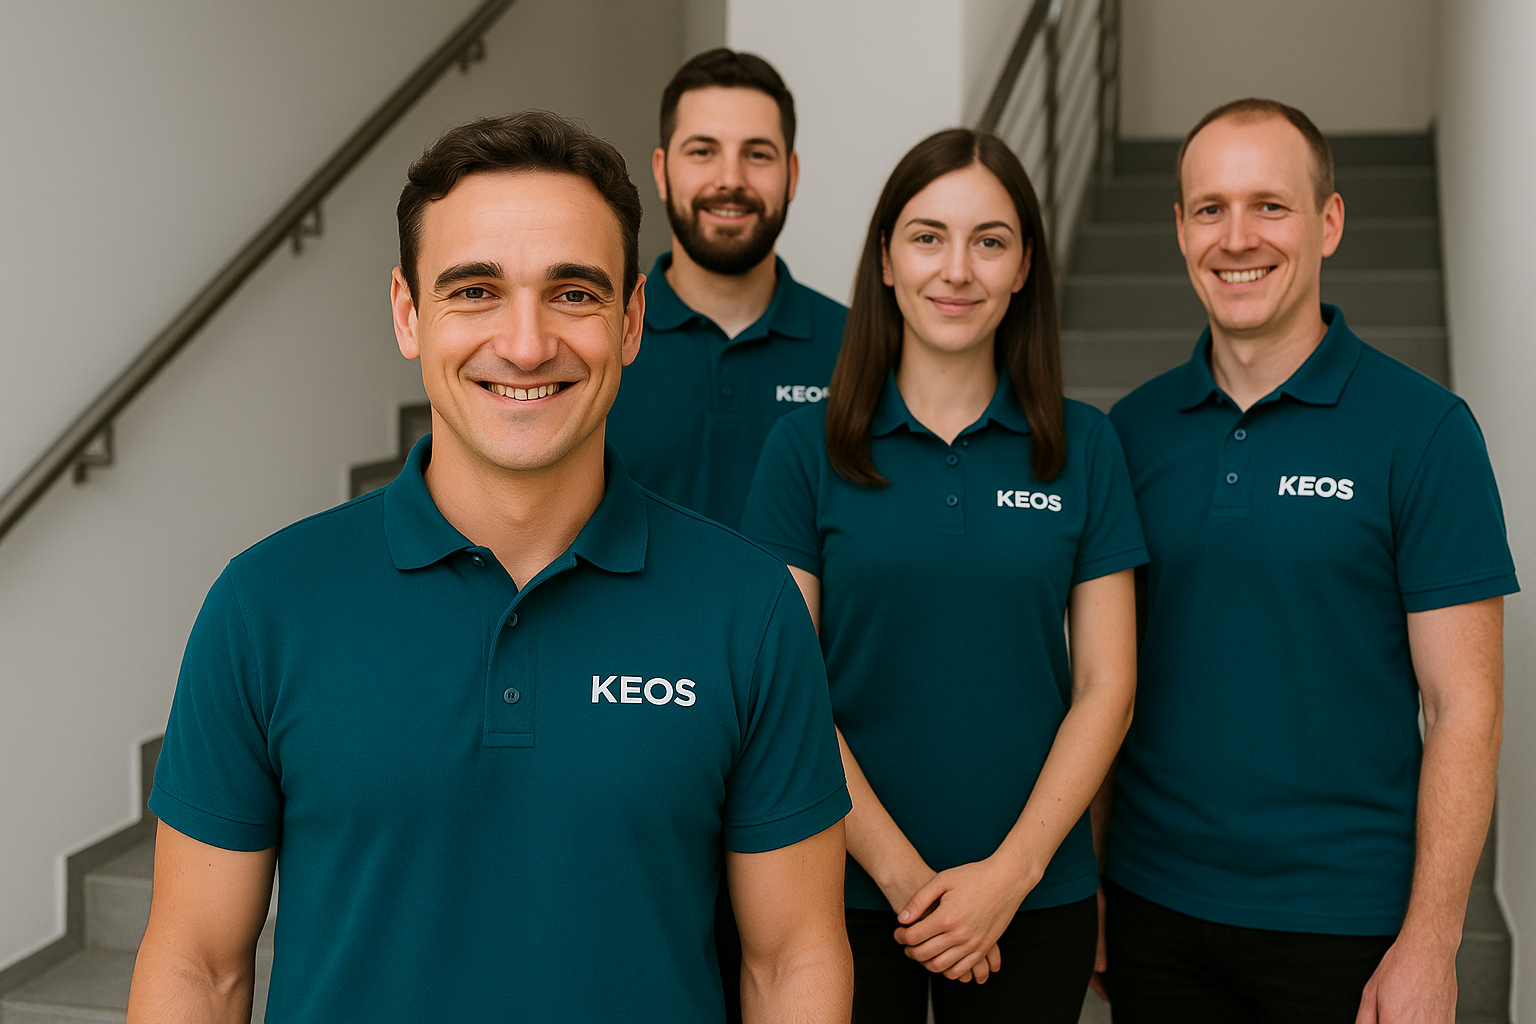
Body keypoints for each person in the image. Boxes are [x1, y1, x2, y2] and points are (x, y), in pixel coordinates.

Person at [125, 111, 854, 1024]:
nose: (524, 342)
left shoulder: (748, 608)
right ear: (406, 313)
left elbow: (791, 963)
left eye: (574, 294)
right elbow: (198, 964)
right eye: (474, 291)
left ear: (632, 322)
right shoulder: (265, 605)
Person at [1099, 98, 1518, 1024]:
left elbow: (1465, 708)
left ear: (1329, 221)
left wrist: (1433, 940)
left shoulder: (1425, 432)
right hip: (1152, 909)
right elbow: (1106, 688)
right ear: (1178, 230)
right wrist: (1091, 880)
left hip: (1348, 923)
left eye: (1270, 206)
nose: (1236, 237)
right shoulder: (1127, 434)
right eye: (1209, 208)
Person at [741, 128, 1144, 1024]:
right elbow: (787, 690)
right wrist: (908, 880)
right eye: (927, 236)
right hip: (837, 889)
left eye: (989, 241)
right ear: (885, 260)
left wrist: (1010, 874)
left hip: (1032, 898)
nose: (956, 269)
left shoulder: (1087, 447)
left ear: (1024, 266)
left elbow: (1107, 688)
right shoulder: (805, 453)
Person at [606, 48, 847, 530]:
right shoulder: (598, 338)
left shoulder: (860, 347)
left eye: (757, 154)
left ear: (792, 175)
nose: (730, 180)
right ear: (661, 170)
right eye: (702, 152)